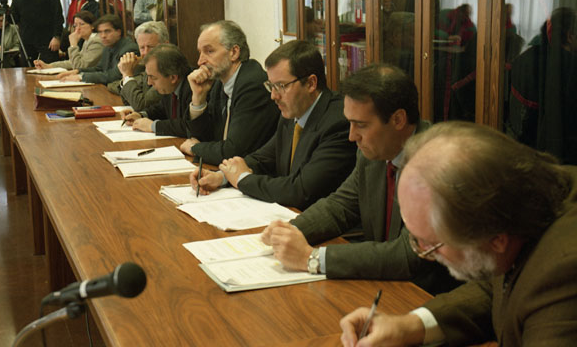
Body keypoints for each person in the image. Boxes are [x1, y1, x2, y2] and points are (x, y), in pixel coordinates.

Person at [339, 121, 577, 347]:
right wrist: (407, 326)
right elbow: (493, 286)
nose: (422, 253)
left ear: (496, 240)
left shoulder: (562, 273)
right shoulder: (516, 211)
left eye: (432, 245)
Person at [261, 64, 459, 294]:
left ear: (398, 119)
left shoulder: (438, 163)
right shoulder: (374, 152)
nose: (352, 136)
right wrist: (289, 231)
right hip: (381, 284)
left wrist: (312, 257)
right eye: (350, 123)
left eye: (361, 125)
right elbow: (340, 206)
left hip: (426, 295)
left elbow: (408, 254)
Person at [189, 40, 356, 209]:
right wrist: (222, 176)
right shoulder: (292, 111)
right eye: (271, 86)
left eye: (281, 86)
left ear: (311, 83)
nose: (273, 96)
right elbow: (263, 159)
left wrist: (241, 179)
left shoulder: (339, 123)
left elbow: (300, 190)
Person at [180, 20, 279, 165]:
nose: (200, 61)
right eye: (200, 52)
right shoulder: (219, 83)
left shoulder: (252, 84)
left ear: (234, 52)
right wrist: (198, 98)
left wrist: (195, 149)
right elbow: (200, 138)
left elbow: (233, 152)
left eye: (209, 51)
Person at [507, 7, 577, 165]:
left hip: (517, 149)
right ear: (570, 36)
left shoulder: (525, 57)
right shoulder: (571, 68)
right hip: (556, 160)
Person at [122, 44, 191, 137]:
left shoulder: (193, 87)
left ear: (173, 77)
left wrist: (153, 126)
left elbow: (189, 126)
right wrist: (141, 115)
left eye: (153, 77)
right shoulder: (169, 86)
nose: (149, 82)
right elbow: (161, 109)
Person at [58, 14, 138, 85]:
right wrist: (78, 71)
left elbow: (113, 75)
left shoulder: (129, 49)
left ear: (119, 32)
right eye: (100, 32)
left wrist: (81, 77)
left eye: (107, 31)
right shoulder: (108, 46)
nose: (103, 36)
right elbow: (99, 68)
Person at [11, 0, 64, 64]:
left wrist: (57, 37)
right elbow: (15, 18)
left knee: (49, 71)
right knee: (27, 71)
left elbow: (58, 16)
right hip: (26, 42)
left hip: (48, 41)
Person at [114, 20, 168, 110]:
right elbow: (129, 101)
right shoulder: (147, 66)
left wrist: (127, 75)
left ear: (165, 46)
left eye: (151, 47)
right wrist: (126, 76)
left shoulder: (167, 69)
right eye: (142, 48)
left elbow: (141, 105)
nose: (146, 52)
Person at [34, 10, 103, 70]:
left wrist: (73, 45)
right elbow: (72, 62)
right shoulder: (88, 40)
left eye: (82, 24)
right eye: (75, 25)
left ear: (92, 25)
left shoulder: (96, 41)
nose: (78, 28)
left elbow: (79, 66)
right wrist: (49, 66)